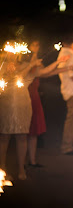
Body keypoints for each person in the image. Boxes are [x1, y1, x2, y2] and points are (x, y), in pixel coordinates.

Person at [26, 39, 73, 166]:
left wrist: (65, 69)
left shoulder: (36, 59)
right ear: (28, 46)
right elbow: (41, 72)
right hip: (26, 96)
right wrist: (59, 61)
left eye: (37, 44)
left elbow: (47, 73)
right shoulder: (25, 59)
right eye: (34, 44)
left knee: (33, 130)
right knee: (26, 130)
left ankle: (32, 160)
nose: (36, 47)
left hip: (34, 95)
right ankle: (24, 160)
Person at [0, 44, 41, 180]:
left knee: (22, 136)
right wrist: (31, 64)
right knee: (4, 137)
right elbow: (12, 77)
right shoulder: (2, 66)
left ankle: (21, 168)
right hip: (6, 105)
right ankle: (2, 169)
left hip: (22, 105)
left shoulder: (23, 65)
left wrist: (58, 62)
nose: (13, 55)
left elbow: (41, 71)